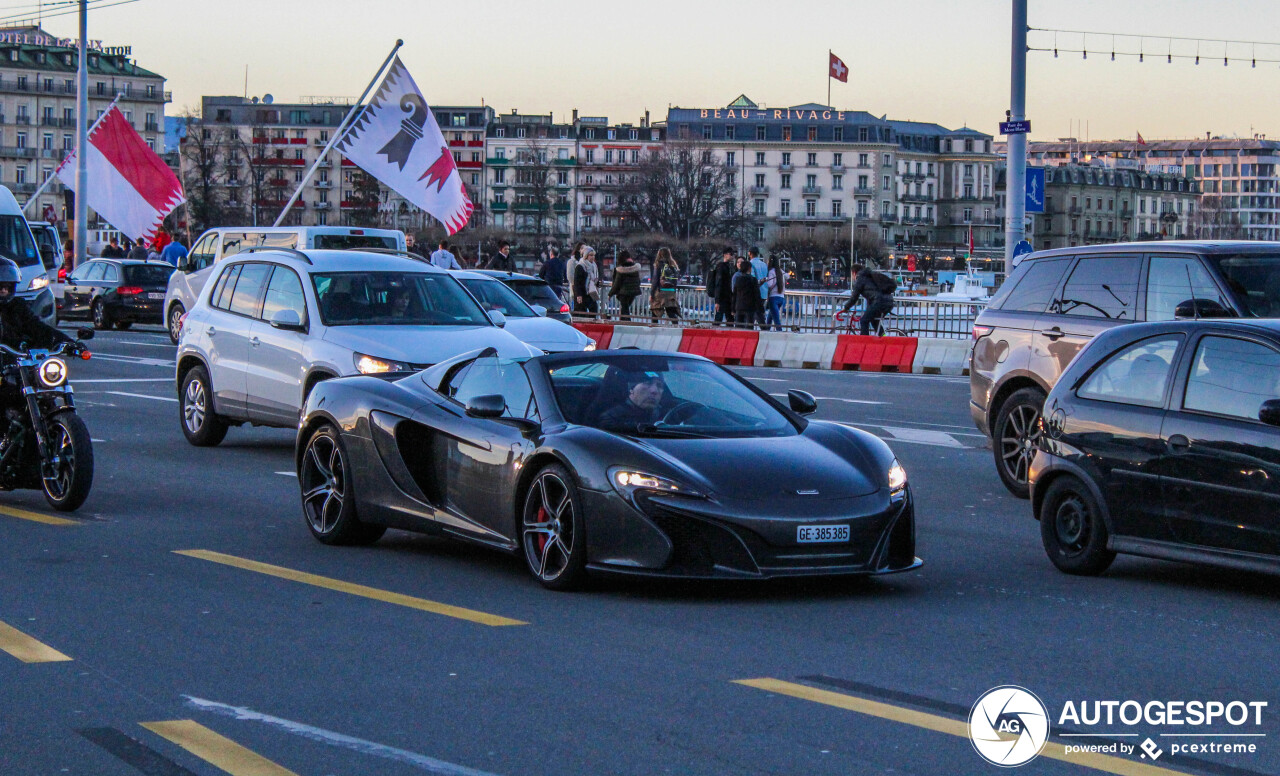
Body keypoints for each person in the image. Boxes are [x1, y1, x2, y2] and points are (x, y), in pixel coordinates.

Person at [597, 373, 665, 433]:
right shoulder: (612, 419)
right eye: (647, 383)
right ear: (631, 388)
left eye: (659, 386)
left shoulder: (664, 414)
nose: (654, 391)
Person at [842, 263, 898, 335]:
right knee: (874, 321)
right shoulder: (870, 276)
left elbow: (854, 297)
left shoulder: (860, 279)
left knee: (864, 320)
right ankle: (884, 339)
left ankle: (865, 342)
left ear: (854, 273)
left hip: (879, 302)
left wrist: (846, 307)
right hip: (888, 301)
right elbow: (873, 295)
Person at [649, 248, 681, 323]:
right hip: (671, 292)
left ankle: (654, 328)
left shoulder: (658, 264)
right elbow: (675, 280)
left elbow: (655, 280)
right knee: (670, 311)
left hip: (661, 291)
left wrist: (652, 294)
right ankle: (676, 327)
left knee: (655, 310)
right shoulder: (673, 265)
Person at [609, 250, 641, 320]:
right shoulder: (635, 268)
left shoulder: (620, 269)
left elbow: (617, 283)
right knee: (625, 309)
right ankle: (624, 323)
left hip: (623, 293)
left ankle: (626, 324)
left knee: (625, 310)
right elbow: (638, 281)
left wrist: (610, 294)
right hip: (633, 292)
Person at [708, 248, 736, 325]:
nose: (733, 256)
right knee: (721, 317)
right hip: (723, 297)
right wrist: (717, 300)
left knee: (726, 317)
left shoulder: (729, 266)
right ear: (725, 255)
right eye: (731, 254)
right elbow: (718, 283)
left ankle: (718, 333)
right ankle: (716, 333)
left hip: (727, 296)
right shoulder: (721, 266)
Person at [731, 259, 758, 327]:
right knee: (749, 328)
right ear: (749, 269)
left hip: (739, 306)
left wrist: (733, 308)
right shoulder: (753, 279)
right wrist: (760, 308)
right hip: (750, 307)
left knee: (738, 328)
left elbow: (734, 294)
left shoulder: (738, 279)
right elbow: (757, 295)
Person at [573, 247, 599, 314]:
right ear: (586, 255)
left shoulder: (594, 266)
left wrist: (597, 283)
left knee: (594, 310)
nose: (593, 257)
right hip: (582, 293)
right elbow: (577, 282)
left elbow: (594, 278)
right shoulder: (580, 266)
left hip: (591, 293)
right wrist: (579, 295)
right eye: (591, 255)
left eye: (593, 255)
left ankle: (592, 323)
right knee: (581, 312)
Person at [765, 256, 787, 331]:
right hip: (781, 297)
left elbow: (770, 284)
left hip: (773, 298)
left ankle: (780, 333)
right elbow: (788, 276)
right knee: (770, 316)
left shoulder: (771, 272)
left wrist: (765, 281)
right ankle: (766, 330)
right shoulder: (780, 271)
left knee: (776, 320)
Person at [748, 246, 768, 325]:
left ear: (750, 254)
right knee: (759, 312)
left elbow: (752, 278)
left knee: (753, 314)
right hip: (764, 292)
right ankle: (763, 326)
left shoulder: (751, 264)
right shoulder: (764, 264)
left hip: (755, 293)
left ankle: (761, 327)